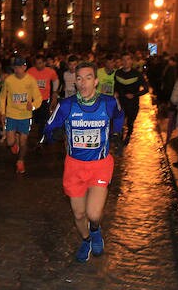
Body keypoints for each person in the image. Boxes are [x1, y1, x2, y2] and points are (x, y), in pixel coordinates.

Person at [42, 61, 124, 262]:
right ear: (75, 82)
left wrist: (115, 133)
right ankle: (86, 239)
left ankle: (95, 230)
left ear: (96, 81)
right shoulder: (66, 105)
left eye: (88, 77)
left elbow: (119, 117)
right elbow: (48, 128)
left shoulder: (108, 102)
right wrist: (56, 135)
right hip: (74, 166)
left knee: (93, 214)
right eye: (79, 78)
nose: (84, 82)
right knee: (79, 215)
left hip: (100, 165)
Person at [0, 56, 43, 175]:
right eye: (15, 67)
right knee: (9, 142)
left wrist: (32, 106)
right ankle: (14, 143)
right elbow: (2, 97)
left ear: (25, 67)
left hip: (25, 116)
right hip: (11, 114)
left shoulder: (31, 80)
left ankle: (20, 161)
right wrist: (2, 112)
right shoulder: (9, 80)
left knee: (24, 141)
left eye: (20, 67)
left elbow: (38, 97)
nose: (17, 70)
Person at [113, 52, 149, 148]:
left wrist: (134, 95)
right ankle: (120, 137)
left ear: (131, 61)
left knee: (130, 122)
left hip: (133, 103)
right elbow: (116, 86)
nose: (125, 62)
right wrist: (115, 92)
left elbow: (146, 89)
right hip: (121, 102)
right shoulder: (118, 73)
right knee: (119, 120)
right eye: (123, 60)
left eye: (128, 59)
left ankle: (129, 134)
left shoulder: (137, 74)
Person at [26, 53, 59, 143]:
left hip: (44, 100)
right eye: (37, 63)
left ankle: (41, 138)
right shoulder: (30, 71)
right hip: (33, 100)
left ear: (44, 63)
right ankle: (27, 135)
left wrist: (55, 93)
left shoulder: (50, 71)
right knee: (32, 119)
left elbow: (55, 80)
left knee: (43, 120)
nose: (38, 65)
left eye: (40, 63)